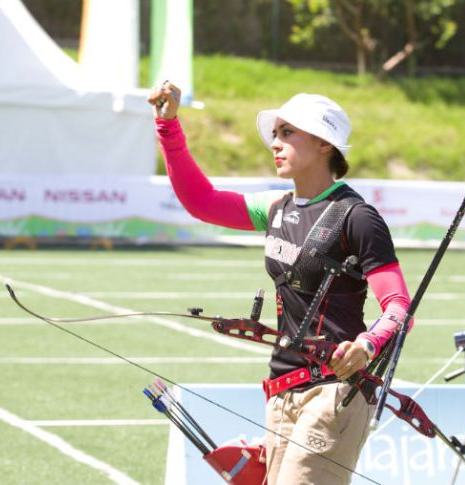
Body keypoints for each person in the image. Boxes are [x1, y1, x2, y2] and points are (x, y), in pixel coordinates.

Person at [148, 81, 414, 485]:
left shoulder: (357, 217)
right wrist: (168, 126)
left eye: (288, 132)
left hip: (334, 393)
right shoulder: (276, 206)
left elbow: (399, 307)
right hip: (280, 390)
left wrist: (366, 345)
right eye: (276, 133)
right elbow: (201, 201)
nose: (276, 142)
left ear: (325, 143)